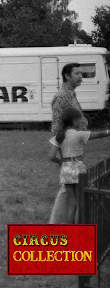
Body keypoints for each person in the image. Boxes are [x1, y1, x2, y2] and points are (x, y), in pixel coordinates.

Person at [48, 108, 110, 223]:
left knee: (72, 203)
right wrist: (108, 132)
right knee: (81, 201)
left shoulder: (59, 136)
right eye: (79, 119)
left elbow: (51, 156)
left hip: (66, 170)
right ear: (73, 121)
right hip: (78, 168)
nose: (81, 121)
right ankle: (79, 227)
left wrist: (60, 161)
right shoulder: (79, 134)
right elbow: (100, 134)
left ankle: (71, 229)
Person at [48, 63, 87, 224]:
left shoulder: (71, 94)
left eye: (81, 73)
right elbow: (58, 127)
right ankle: (59, 225)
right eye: (77, 73)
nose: (81, 76)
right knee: (69, 193)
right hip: (69, 155)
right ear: (67, 76)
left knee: (67, 192)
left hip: (75, 151)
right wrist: (63, 157)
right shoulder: (62, 97)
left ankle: (58, 224)